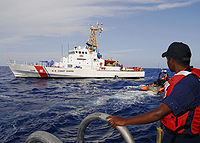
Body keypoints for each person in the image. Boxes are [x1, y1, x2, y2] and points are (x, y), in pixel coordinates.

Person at [107, 42, 200, 143]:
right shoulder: (192, 77)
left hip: (183, 138)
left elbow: (158, 114)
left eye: (167, 59)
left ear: (172, 60)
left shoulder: (185, 84)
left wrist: (124, 121)